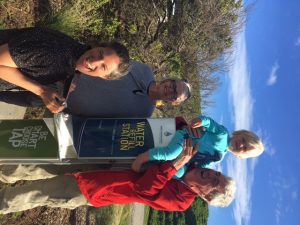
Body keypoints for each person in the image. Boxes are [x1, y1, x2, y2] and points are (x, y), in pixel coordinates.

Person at [0, 139, 236, 214]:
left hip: (97, 189)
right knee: (42, 166)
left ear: (205, 196)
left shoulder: (181, 201)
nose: (213, 174)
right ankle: (4, 171)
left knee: (36, 194)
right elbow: (178, 130)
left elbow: (143, 190)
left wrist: (174, 165)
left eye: (215, 182)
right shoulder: (193, 156)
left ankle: (3, 201)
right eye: (218, 174)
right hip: (104, 159)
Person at [0, 27, 130, 113]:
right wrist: (41, 91)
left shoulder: (71, 59)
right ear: (97, 46)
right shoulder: (54, 53)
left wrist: (62, 79)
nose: (94, 61)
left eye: (103, 67)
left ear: (104, 77)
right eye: (100, 54)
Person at [0, 61, 192, 117]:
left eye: (175, 93)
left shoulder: (144, 114)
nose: (170, 88)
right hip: (63, 74)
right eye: (174, 84)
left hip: (61, 101)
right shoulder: (144, 69)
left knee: (12, 96)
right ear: (171, 79)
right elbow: (108, 65)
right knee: (12, 71)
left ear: (173, 102)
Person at [132, 115, 264, 177]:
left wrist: (195, 169)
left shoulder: (218, 158)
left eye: (245, 148)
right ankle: (142, 158)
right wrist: (201, 121)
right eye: (244, 140)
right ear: (239, 133)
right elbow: (210, 123)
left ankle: (148, 172)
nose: (241, 144)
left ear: (240, 156)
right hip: (185, 137)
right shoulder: (223, 134)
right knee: (170, 154)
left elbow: (201, 166)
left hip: (187, 155)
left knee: (179, 174)